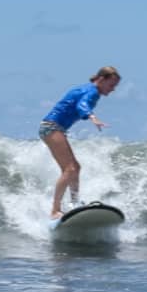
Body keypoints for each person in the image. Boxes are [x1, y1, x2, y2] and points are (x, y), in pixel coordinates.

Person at [39, 66, 121, 219]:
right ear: (101, 79)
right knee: (69, 169)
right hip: (51, 127)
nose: (113, 89)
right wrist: (92, 117)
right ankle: (55, 210)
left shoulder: (88, 89)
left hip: (53, 128)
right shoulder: (92, 91)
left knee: (75, 167)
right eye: (111, 85)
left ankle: (74, 204)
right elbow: (82, 105)